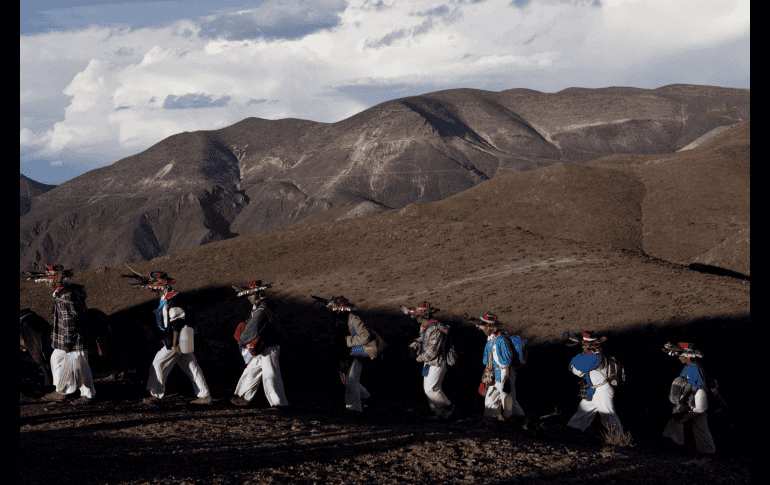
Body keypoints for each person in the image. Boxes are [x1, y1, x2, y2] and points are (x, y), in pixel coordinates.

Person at [141, 272, 212, 405]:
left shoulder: (173, 299)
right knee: (192, 367)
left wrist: (174, 343)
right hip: (181, 338)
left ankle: (156, 395)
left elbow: (177, 321)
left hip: (177, 339)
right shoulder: (166, 298)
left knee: (158, 363)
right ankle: (205, 395)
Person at [39, 265, 97, 403]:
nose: (46, 282)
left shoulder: (66, 296)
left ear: (57, 280)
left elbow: (70, 322)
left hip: (73, 339)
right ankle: (62, 390)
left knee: (81, 366)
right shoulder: (68, 292)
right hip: (68, 338)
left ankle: (86, 395)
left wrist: (68, 342)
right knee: (56, 359)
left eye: (49, 279)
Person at [230, 280, 288, 409]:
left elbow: (253, 328)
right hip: (262, 346)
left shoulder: (263, 308)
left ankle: (279, 404)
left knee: (270, 375)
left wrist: (242, 339)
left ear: (257, 293)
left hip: (268, 345)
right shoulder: (261, 306)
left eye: (250, 294)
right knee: (251, 371)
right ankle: (243, 397)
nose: (248, 297)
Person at [324, 296, 384, 416]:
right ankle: (367, 397)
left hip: (357, 352)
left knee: (351, 380)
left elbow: (365, 336)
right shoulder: (336, 320)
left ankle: (355, 409)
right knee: (346, 380)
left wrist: (347, 340)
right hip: (346, 353)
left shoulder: (353, 320)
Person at [662, 342, 716, 464]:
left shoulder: (692, 366)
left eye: (681, 355)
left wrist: (685, 400)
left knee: (678, 418)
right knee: (701, 425)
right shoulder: (695, 365)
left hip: (697, 398)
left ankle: (676, 444)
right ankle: (707, 452)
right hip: (701, 397)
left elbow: (694, 386)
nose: (679, 357)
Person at [565, 331, 624, 437]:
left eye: (586, 345)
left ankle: (619, 438)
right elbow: (579, 370)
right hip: (594, 390)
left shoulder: (596, 357)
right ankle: (573, 431)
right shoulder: (593, 355)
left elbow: (575, 366)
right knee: (583, 410)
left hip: (602, 391)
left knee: (608, 415)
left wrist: (581, 355)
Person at [403, 301, 456, 420]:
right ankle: (438, 414)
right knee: (428, 389)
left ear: (424, 316)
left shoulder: (435, 329)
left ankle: (448, 406)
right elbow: (422, 339)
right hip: (430, 362)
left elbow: (433, 352)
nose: (415, 317)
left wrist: (417, 358)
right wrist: (414, 344)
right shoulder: (425, 325)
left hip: (438, 362)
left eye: (418, 315)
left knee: (431, 389)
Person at [477, 312, 527, 426]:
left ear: (490, 327)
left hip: (505, 372)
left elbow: (507, 362)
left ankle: (519, 420)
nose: (482, 329)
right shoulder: (491, 339)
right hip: (495, 373)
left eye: (484, 326)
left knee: (508, 398)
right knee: (491, 398)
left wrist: (507, 380)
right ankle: (491, 420)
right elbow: (487, 361)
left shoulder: (501, 340)